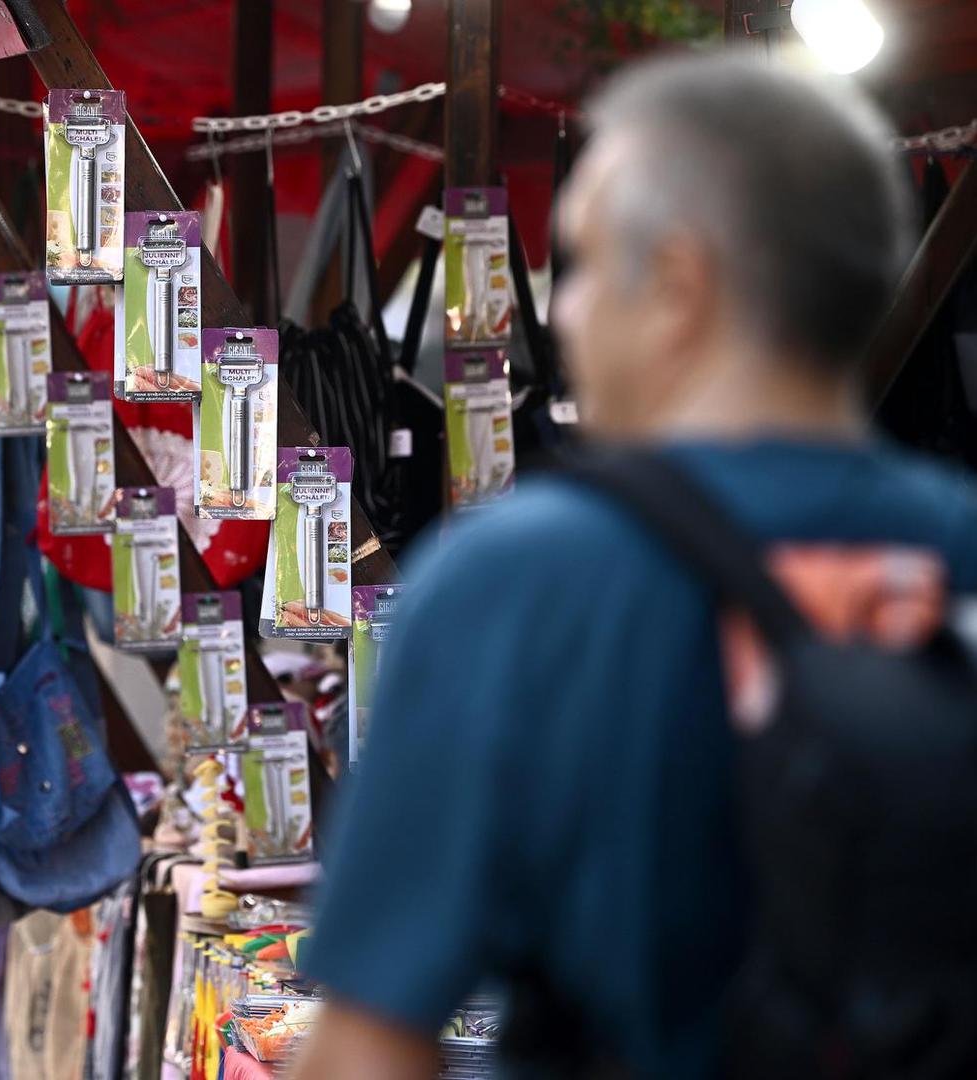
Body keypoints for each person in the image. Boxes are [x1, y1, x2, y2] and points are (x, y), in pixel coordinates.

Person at [293, 55, 977, 1080]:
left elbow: (362, 1055)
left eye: (582, 265)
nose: (561, 318)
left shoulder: (510, 583)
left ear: (676, 282)